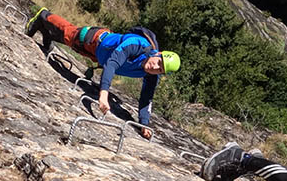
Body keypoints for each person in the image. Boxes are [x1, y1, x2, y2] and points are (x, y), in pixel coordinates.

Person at [25, 8, 181, 139]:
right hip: (95, 40)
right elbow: (113, 63)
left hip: (98, 56)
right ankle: (43, 15)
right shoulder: (138, 45)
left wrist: (144, 124)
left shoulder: (152, 74)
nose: (155, 67)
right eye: (158, 62)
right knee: (69, 34)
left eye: (160, 69)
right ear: (157, 54)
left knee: (68, 42)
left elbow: (147, 98)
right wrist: (103, 94)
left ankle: (45, 32)